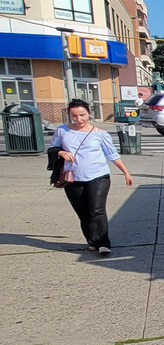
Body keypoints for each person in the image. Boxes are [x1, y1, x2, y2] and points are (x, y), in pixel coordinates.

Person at [50, 99, 134, 257]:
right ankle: (92, 240)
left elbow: (112, 155)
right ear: (69, 115)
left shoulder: (99, 133)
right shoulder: (62, 131)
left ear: (89, 114)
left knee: (96, 209)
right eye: (74, 116)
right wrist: (61, 153)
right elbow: (52, 148)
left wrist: (125, 172)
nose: (79, 119)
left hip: (98, 176)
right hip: (72, 178)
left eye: (82, 115)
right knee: (83, 212)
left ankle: (102, 243)